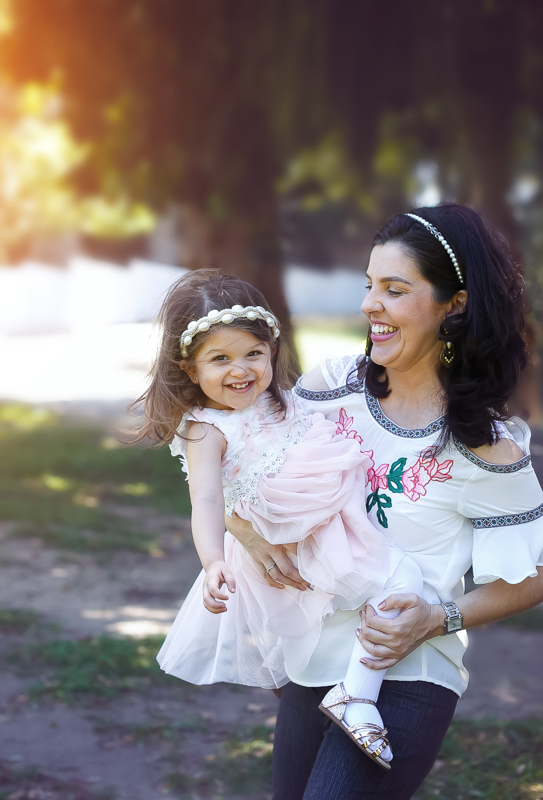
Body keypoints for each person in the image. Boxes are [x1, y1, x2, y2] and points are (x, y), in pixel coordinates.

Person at [222, 204, 543, 799]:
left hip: (407, 678)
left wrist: (439, 618)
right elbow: (243, 468)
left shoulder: (483, 446)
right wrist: (248, 535)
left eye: (394, 289)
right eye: (370, 285)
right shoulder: (329, 389)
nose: (371, 304)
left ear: (453, 305)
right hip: (311, 665)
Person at [133, 269, 429, 769]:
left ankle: (330, 690)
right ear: (190, 369)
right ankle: (356, 695)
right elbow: (205, 500)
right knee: (401, 579)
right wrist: (212, 561)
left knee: (359, 604)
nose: (240, 370)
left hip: (326, 525)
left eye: (253, 353)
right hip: (293, 537)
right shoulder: (206, 429)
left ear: (271, 349)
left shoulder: (283, 400)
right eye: (220, 359)